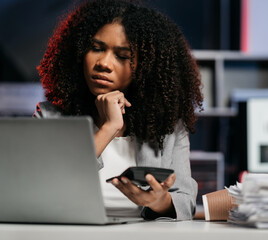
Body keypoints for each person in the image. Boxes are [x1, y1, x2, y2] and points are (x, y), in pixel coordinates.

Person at [33, 0, 203, 221]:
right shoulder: (49, 116)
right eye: (96, 48)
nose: (104, 63)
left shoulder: (169, 126)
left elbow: (186, 202)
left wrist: (159, 202)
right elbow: (44, 186)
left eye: (122, 56)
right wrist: (109, 128)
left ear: (146, 67)